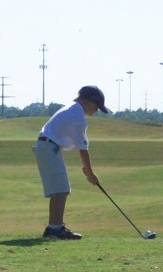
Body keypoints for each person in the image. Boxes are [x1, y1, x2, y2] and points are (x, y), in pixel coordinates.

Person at [34, 85, 111, 239]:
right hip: (49, 147)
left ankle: (54, 227)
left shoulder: (71, 108)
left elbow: (79, 146)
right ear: (88, 101)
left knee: (59, 190)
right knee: (61, 189)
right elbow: (82, 148)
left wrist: (87, 170)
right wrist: (90, 173)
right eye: (96, 106)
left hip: (46, 146)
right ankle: (55, 228)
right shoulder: (77, 116)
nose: (96, 111)